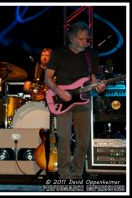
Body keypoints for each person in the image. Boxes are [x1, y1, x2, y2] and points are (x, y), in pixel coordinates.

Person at [45, 21, 106, 179]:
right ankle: (64, 173)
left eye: (86, 39)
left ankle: (77, 172)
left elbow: (93, 78)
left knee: (84, 139)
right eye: (80, 39)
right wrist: (59, 90)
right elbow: (48, 77)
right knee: (64, 137)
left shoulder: (91, 54)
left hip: (83, 100)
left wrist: (98, 86)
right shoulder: (59, 53)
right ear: (71, 38)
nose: (84, 42)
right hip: (61, 99)